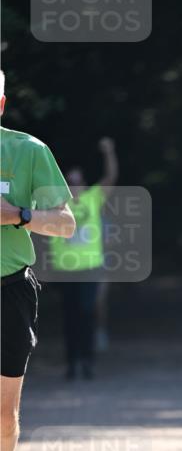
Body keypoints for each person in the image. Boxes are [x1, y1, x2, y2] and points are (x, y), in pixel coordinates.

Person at [0, 68, 75, 451]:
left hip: (8, 291)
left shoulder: (28, 151)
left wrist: (20, 215)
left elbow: (66, 226)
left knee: (4, 415)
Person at [49, 137, 118, 379]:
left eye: (78, 182)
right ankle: (71, 363)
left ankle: (87, 361)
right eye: (70, 182)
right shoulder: (57, 203)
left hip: (90, 268)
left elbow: (110, 178)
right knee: (69, 318)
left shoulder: (92, 199)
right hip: (65, 269)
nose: (75, 186)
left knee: (87, 313)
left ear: (84, 184)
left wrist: (109, 153)